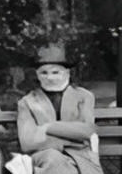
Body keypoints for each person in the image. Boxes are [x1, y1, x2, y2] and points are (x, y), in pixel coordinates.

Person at [15, 44, 103, 174]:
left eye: (55, 72)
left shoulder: (84, 96)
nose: (49, 78)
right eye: (44, 73)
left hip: (80, 156)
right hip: (43, 156)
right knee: (53, 159)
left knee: (62, 165)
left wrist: (47, 127)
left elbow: (87, 130)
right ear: (37, 75)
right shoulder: (27, 102)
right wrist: (70, 138)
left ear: (67, 73)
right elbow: (27, 142)